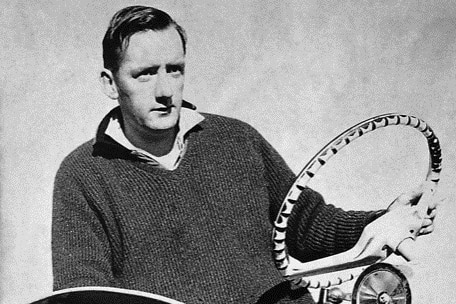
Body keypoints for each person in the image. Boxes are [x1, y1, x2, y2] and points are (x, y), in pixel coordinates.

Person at [52, 5, 437, 304]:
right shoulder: (83, 175)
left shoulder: (236, 139)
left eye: (175, 69)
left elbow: (307, 225)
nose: (165, 89)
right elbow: (87, 296)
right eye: (145, 73)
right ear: (110, 82)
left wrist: (385, 217)